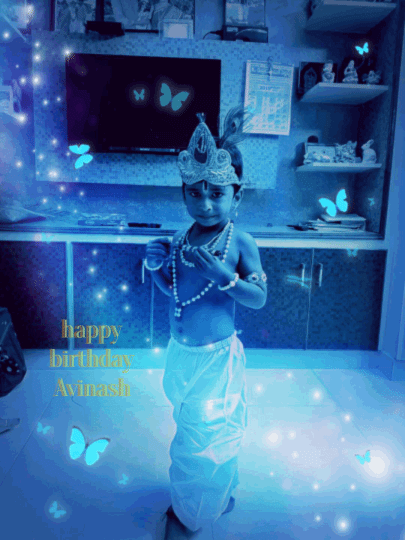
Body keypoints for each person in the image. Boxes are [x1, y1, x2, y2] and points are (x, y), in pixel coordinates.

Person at [145, 106, 267, 539]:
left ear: (237, 195)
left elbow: (259, 298)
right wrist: (156, 267)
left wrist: (225, 277)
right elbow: (175, 292)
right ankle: (219, 494)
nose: (206, 203)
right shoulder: (180, 238)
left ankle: (189, 517)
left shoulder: (240, 242)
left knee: (200, 439)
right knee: (195, 428)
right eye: (195, 194)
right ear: (183, 195)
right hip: (180, 355)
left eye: (216, 193)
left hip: (216, 361)